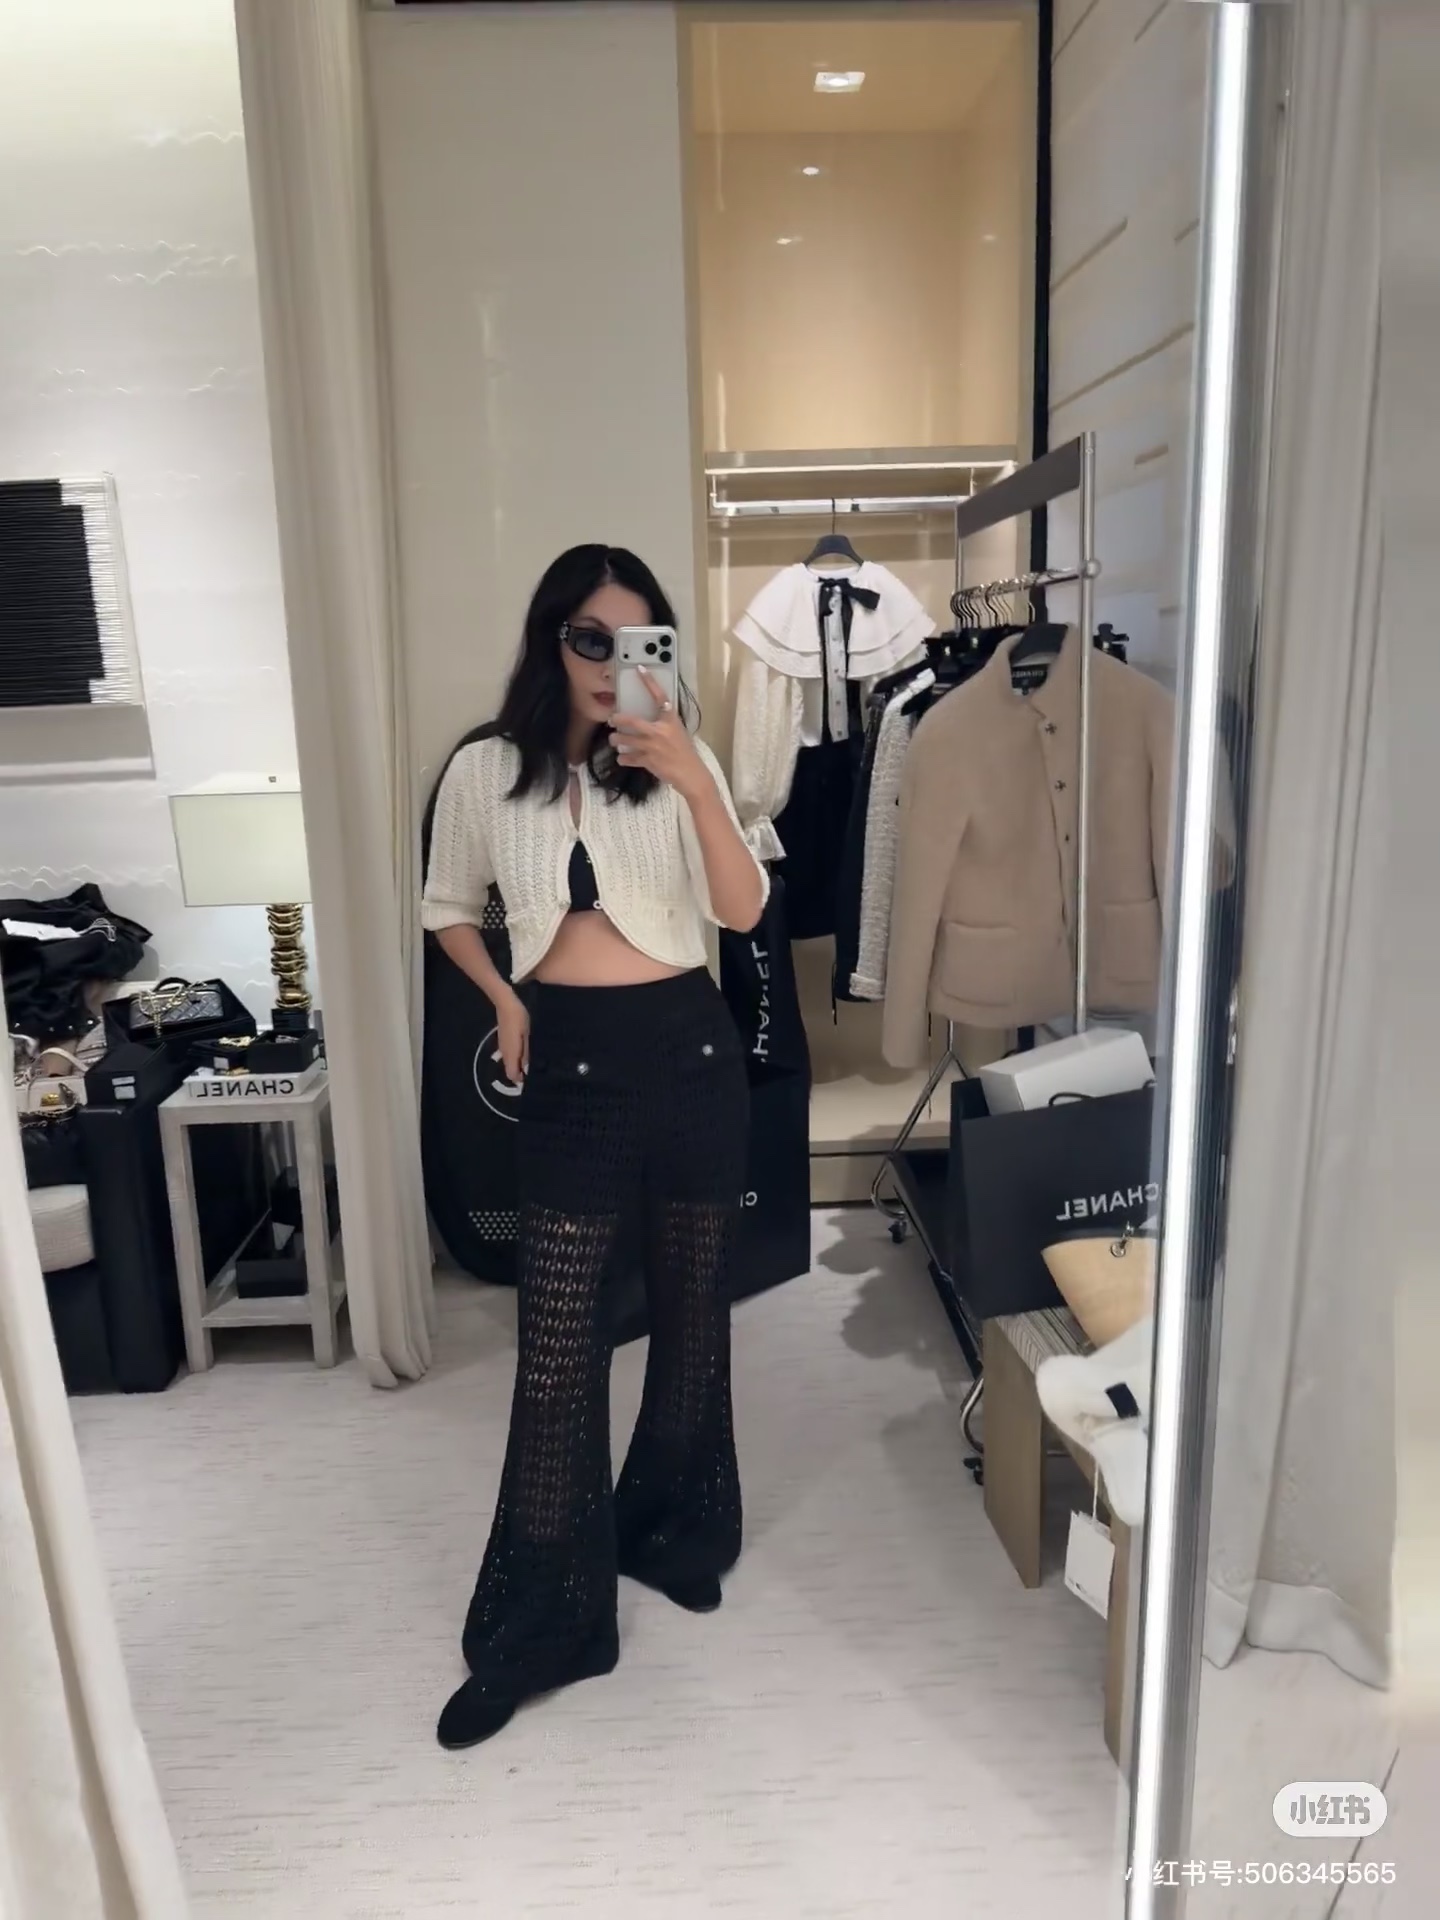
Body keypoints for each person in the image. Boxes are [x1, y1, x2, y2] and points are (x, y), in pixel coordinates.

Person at [422, 544, 767, 1751]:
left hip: (691, 1055)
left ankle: (674, 1531)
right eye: (586, 638)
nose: (608, 663)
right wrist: (504, 1000)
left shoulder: (677, 759)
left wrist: (693, 782)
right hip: (570, 1066)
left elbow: (742, 910)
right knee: (558, 1352)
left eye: (633, 641)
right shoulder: (485, 769)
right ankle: (539, 1625)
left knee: (693, 1317)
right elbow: (447, 907)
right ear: (549, 641)